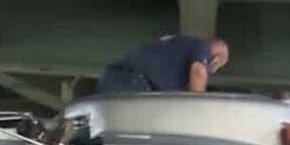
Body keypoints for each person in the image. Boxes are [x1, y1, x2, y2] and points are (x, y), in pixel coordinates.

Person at [97, 35, 229, 94]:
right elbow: (198, 72)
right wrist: (198, 108)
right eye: (217, 67)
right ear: (217, 59)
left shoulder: (179, 46)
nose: (213, 71)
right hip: (135, 83)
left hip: (115, 79)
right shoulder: (202, 46)